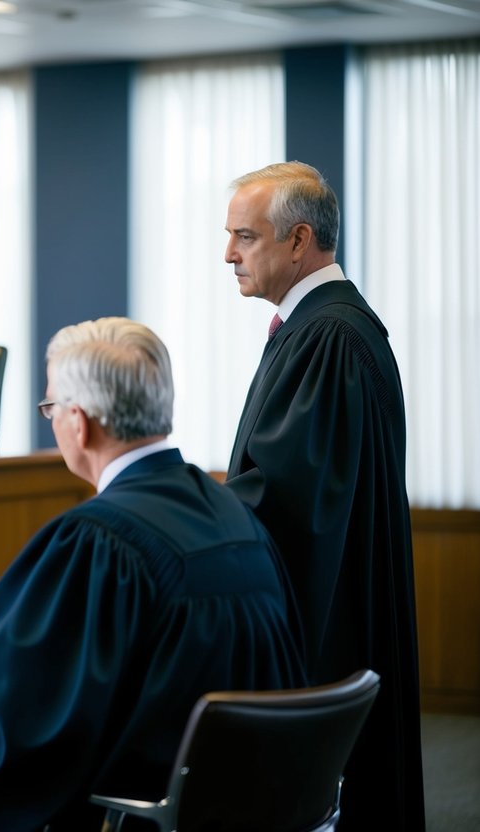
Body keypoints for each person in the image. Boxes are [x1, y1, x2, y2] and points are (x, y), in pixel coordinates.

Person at [0, 317, 306, 831]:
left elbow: (19, 733)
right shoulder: (236, 519)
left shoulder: (101, 541)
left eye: (51, 407)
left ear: (79, 422)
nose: (53, 421)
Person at [223, 161, 424, 831]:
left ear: (298, 240)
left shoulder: (329, 337)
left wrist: (188, 513)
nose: (228, 254)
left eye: (244, 237)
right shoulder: (318, 326)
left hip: (326, 610)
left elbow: (291, 498)